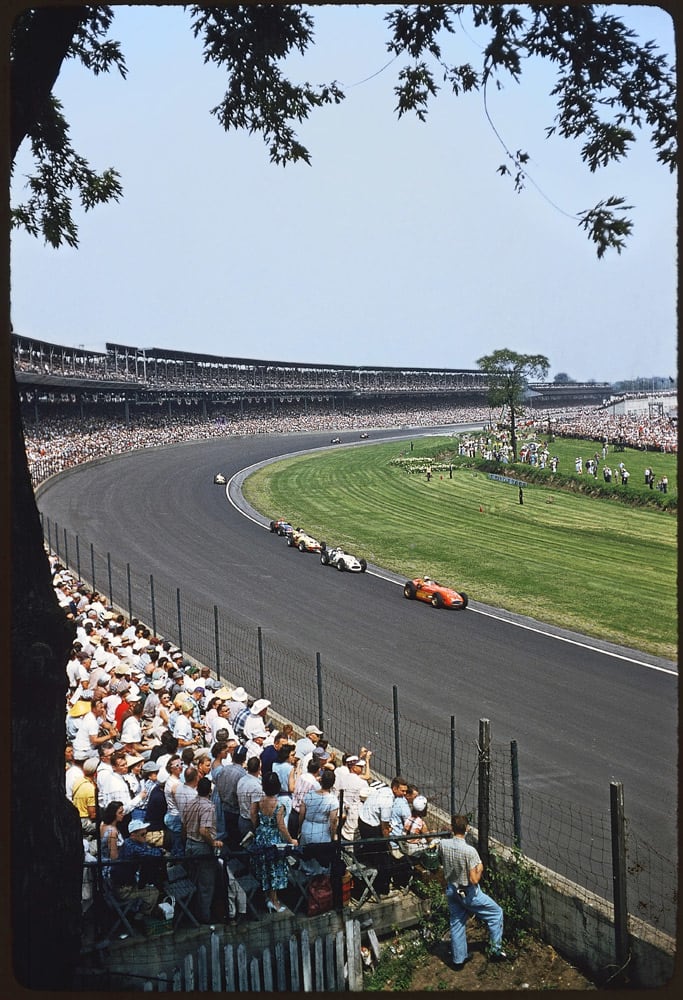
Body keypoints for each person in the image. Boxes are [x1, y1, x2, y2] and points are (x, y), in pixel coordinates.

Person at [438, 814, 507, 969]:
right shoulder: (470, 851)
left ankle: (458, 960)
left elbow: (441, 858)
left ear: (451, 827)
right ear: (467, 829)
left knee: (456, 923)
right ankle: (495, 951)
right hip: (468, 892)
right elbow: (474, 879)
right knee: (496, 913)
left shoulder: (443, 844)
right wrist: (480, 868)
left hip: (451, 889)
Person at [249, 772, 298, 913]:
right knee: (274, 869)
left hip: (261, 834)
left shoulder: (260, 800)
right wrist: (291, 840)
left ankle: (266, 897)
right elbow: (281, 826)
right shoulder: (279, 805)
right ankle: (274, 901)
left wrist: (258, 827)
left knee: (264, 868)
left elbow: (252, 814)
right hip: (273, 838)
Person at [357, 776, 408, 897]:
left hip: (364, 819)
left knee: (374, 852)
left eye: (406, 791)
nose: (404, 793)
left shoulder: (384, 790)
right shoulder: (387, 802)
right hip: (370, 826)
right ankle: (383, 890)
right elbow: (385, 828)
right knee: (383, 859)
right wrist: (388, 843)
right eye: (402, 791)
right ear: (395, 789)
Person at [182, 777, 223, 924]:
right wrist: (214, 843)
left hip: (189, 845)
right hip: (202, 848)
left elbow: (184, 827)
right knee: (206, 885)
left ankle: (192, 914)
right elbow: (204, 831)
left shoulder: (190, 803)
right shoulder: (208, 806)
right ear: (210, 791)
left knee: (193, 881)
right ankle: (205, 917)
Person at [297, 768, 339, 875]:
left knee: (306, 857)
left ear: (320, 781)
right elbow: (333, 821)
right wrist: (333, 835)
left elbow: (301, 814)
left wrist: (300, 828)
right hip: (322, 831)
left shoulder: (309, 795)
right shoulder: (333, 800)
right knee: (320, 861)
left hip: (307, 827)